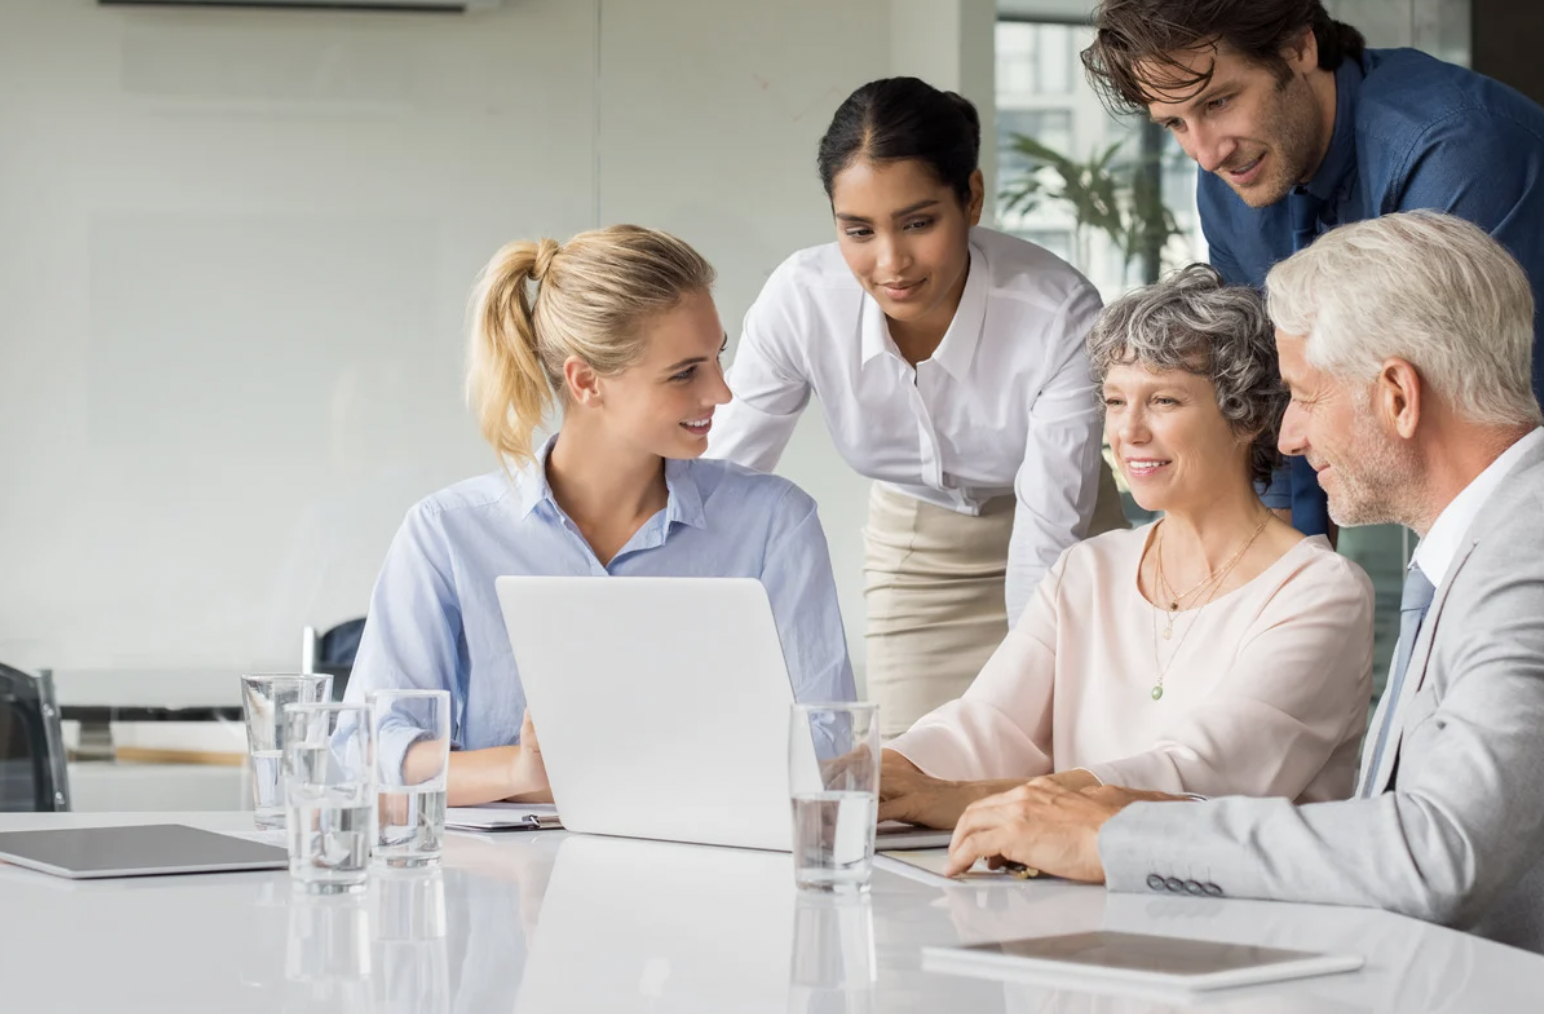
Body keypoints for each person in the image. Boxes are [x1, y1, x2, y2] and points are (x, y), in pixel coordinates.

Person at [1081, 0, 1544, 889]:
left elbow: (1473, 428)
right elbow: (1289, 401)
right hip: (1522, 493)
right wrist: (1284, 600)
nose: (1206, 148)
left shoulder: (1456, 144)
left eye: (1220, 101)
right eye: (1173, 123)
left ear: (1300, 48)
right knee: (1531, 879)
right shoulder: (1236, 184)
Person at [943, 212, 1544, 995]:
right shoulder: (1502, 540)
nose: (1287, 436)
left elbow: (1434, 856)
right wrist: (1124, 810)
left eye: (1301, 394)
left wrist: (1112, 836)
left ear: (1398, 395)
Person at [344, 225, 856, 806]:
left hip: (707, 876)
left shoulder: (774, 526)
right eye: (685, 372)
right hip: (506, 883)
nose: (722, 392)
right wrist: (520, 771)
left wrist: (611, 767)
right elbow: (369, 749)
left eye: (718, 357)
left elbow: (826, 747)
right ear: (587, 382)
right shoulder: (447, 534)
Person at [878, 265, 1372, 830]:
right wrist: (871, 774)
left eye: (1163, 401)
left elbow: (1205, 772)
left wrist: (979, 801)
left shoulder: (1319, 589)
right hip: (1072, 893)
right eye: (1115, 401)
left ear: (1248, 414)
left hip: (1240, 910)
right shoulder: (1088, 569)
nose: (1128, 431)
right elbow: (986, 724)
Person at [706, 77, 1125, 737]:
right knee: (909, 779)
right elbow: (722, 484)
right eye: (858, 230)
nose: (890, 262)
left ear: (972, 198)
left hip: (1067, 542)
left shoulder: (1057, 312)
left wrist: (1020, 715)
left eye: (919, 223)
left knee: (1067, 759)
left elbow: (1048, 538)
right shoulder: (803, 301)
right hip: (920, 556)